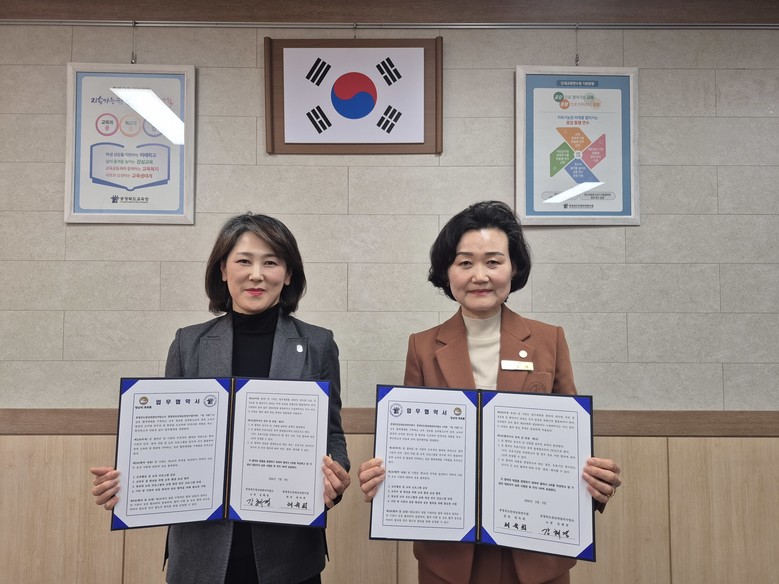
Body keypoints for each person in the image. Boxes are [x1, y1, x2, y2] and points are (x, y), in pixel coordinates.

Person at [358, 200, 621, 584]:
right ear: (447, 272)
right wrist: (385, 478)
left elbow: (570, 445)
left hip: (534, 551)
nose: (479, 275)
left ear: (514, 269)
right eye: (465, 262)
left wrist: (595, 480)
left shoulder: (549, 340)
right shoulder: (422, 346)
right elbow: (410, 445)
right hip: (449, 556)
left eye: (493, 262)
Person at [91, 212, 351, 584]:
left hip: (288, 551)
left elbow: (332, 435)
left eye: (271, 262)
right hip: (202, 550)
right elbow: (168, 441)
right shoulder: (189, 343)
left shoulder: (317, 343)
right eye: (243, 261)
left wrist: (335, 476)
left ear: (288, 274)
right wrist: (129, 482)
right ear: (223, 271)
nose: (256, 275)